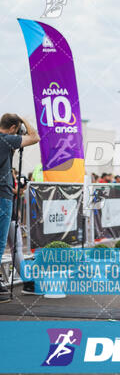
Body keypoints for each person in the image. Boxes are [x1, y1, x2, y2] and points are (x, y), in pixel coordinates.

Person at [0, 114, 40, 303]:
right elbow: (35, 137)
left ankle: (28, 281)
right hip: (3, 198)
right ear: (14, 127)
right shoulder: (6, 140)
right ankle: (29, 282)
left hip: (6, 198)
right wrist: (24, 119)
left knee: (13, 244)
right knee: (7, 244)